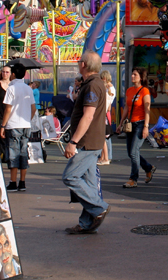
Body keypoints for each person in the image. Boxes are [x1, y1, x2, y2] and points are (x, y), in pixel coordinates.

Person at [61, 50, 110, 234]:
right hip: (92, 141)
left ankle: (99, 207)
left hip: (87, 142)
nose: (78, 63)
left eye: (80, 61)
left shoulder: (92, 86)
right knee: (89, 184)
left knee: (70, 176)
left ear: (84, 65)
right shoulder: (93, 84)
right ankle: (86, 223)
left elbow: (88, 116)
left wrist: (73, 142)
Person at [117, 67, 156, 188]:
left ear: (141, 77)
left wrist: (146, 127)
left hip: (140, 123)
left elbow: (147, 110)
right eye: (132, 74)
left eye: (135, 74)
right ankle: (148, 167)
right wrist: (120, 123)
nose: (132, 76)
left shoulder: (145, 91)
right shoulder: (129, 91)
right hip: (130, 124)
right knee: (131, 152)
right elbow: (127, 108)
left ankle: (133, 178)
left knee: (134, 151)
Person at [0, 63, 36, 192]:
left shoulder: (11, 89)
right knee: (23, 152)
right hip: (26, 125)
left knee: (13, 153)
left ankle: (13, 182)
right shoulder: (28, 88)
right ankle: (22, 182)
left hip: (13, 124)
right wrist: (28, 119)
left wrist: (3, 125)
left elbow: (8, 109)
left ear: (13, 74)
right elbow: (33, 108)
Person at [99, 71, 116, 166]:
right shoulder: (110, 89)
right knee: (105, 137)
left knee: (105, 137)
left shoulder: (109, 90)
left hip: (104, 113)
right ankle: (104, 156)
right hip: (106, 113)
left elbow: (107, 104)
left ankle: (107, 156)